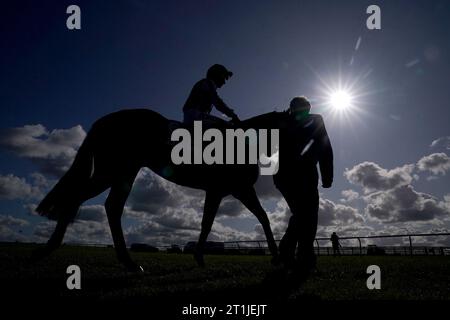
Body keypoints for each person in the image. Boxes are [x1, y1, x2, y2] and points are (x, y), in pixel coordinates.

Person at [274, 96, 333, 276]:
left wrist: (327, 176)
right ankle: (295, 254)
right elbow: (325, 148)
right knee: (305, 215)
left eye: (304, 110)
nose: (301, 114)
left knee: (304, 215)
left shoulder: (308, 120)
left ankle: (296, 255)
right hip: (293, 175)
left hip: (295, 175)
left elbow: (325, 148)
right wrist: (327, 176)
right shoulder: (290, 122)